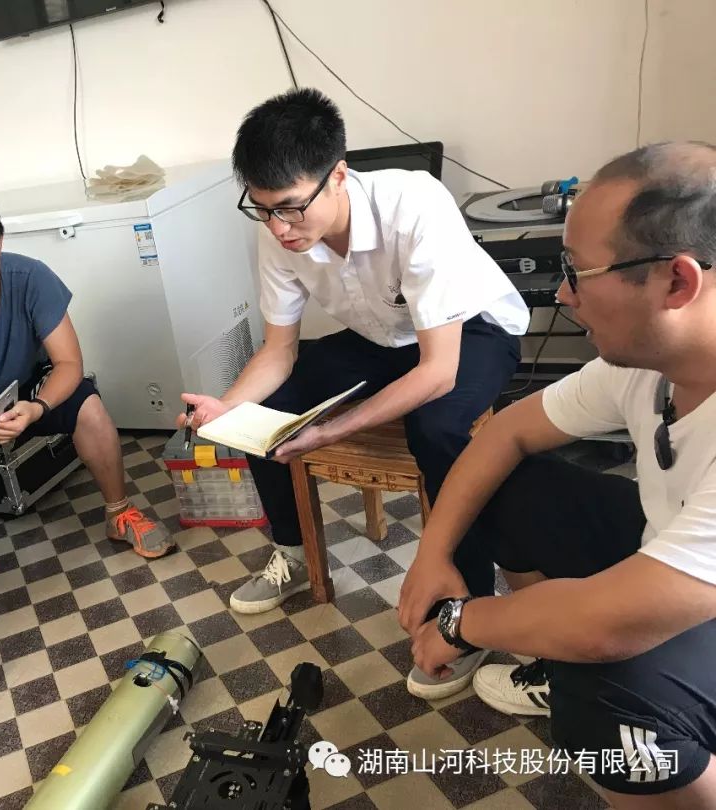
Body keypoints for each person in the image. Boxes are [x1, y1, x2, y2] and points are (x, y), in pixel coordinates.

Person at [181, 88, 528, 699]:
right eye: (262, 211)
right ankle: (291, 552)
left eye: (290, 209)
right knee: (265, 411)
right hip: (383, 336)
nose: (279, 227)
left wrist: (332, 428)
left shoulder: (414, 204)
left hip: (471, 332)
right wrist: (229, 406)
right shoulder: (278, 231)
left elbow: (438, 371)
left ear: (338, 175)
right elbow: (279, 351)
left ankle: (466, 608)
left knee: (438, 428)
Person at [401, 141, 716, 807]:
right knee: (508, 486)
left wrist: (461, 621)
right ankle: (556, 654)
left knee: (606, 695)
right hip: (681, 560)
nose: (563, 293)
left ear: (677, 283)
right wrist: (434, 553)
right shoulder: (649, 364)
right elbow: (506, 433)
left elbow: (605, 628)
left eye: (577, 271)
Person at [0, 183, 175, 617]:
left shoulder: (31, 278)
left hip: (28, 387)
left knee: (89, 407)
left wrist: (37, 408)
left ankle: (119, 512)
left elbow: (69, 363)